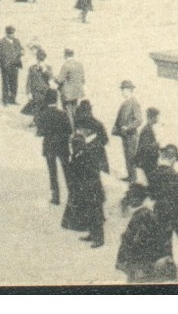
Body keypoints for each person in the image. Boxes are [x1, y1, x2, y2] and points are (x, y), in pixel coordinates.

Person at [60, 99, 110, 246]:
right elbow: (104, 141)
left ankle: (98, 238)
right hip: (89, 175)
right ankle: (92, 233)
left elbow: (80, 152)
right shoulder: (97, 125)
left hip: (88, 177)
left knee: (93, 207)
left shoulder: (81, 127)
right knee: (92, 206)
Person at [116, 184, 177, 282]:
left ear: (137, 199)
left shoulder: (142, 215)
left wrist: (126, 240)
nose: (130, 200)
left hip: (142, 263)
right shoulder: (143, 213)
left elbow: (139, 241)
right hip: (142, 262)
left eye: (132, 197)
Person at [148, 144, 178, 260]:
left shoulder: (153, 175)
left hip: (161, 212)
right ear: (172, 159)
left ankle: (168, 266)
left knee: (165, 241)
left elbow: (152, 195)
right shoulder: (177, 176)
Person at [35, 88, 72, 206]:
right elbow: (70, 130)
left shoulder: (43, 114)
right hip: (63, 146)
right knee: (67, 170)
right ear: (56, 100)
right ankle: (72, 196)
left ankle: (55, 197)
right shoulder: (63, 114)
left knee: (53, 172)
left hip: (49, 146)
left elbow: (39, 132)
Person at [112, 81, 143, 182]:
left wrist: (128, 127)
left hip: (131, 135)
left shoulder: (134, 103)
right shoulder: (126, 103)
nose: (122, 92)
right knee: (127, 156)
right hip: (125, 135)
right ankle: (130, 176)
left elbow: (139, 120)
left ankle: (133, 178)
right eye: (122, 90)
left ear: (129, 90)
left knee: (131, 156)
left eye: (123, 90)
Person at [0, 25, 24, 106]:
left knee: (14, 83)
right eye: (10, 33)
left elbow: (21, 49)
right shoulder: (0, 42)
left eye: (13, 33)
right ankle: (5, 100)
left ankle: (13, 99)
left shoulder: (17, 41)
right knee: (5, 84)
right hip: (5, 66)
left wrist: (22, 52)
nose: (12, 35)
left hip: (15, 65)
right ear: (6, 33)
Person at [134, 106, 163, 185]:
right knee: (152, 184)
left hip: (148, 162)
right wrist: (156, 145)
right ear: (152, 117)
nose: (158, 119)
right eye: (157, 117)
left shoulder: (148, 128)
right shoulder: (147, 130)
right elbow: (145, 147)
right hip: (148, 162)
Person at [24, 47, 54, 116]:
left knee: (44, 108)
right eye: (39, 57)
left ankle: (42, 123)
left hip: (44, 91)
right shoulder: (32, 68)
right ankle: (35, 121)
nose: (40, 59)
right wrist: (28, 92)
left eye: (43, 57)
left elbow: (51, 77)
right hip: (35, 90)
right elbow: (28, 80)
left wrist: (44, 70)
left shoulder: (48, 67)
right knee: (35, 107)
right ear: (37, 58)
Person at [57, 48, 85, 116]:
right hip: (77, 93)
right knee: (74, 112)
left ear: (65, 55)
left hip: (67, 94)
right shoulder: (79, 65)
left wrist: (51, 75)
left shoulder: (66, 65)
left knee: (67, 114)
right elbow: (83, 80)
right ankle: (74, 125)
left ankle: (70, 126)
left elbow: (59, 80)